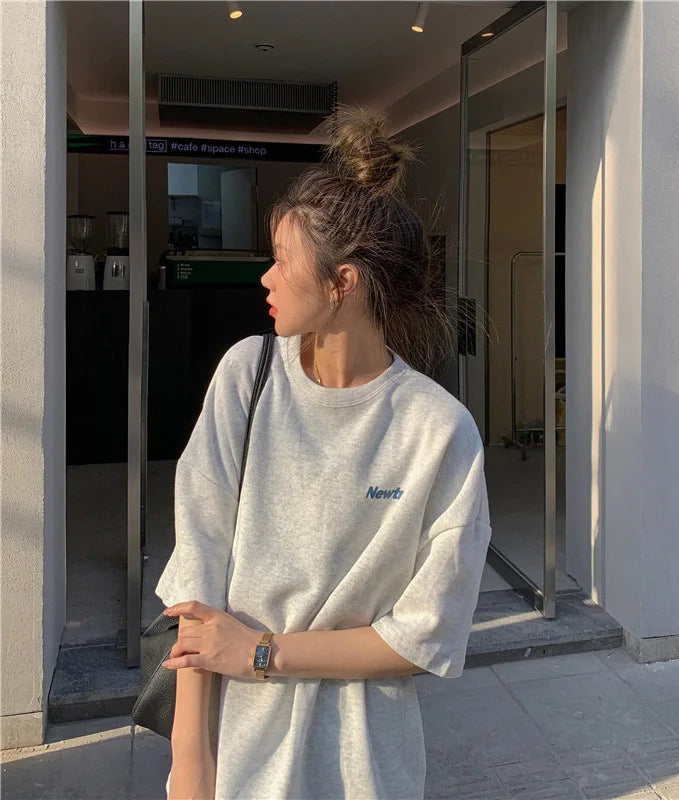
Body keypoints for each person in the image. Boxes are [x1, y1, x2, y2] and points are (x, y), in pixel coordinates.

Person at [154, 105, 492, 800]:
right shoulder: (247, 377)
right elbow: (199, 564)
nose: (266, 279)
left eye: (282, 261)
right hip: (235, 754)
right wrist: (189, 762)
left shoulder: (437, 430)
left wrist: (258, 652)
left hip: (366, 767)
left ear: (343, 284)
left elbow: (423, 638)